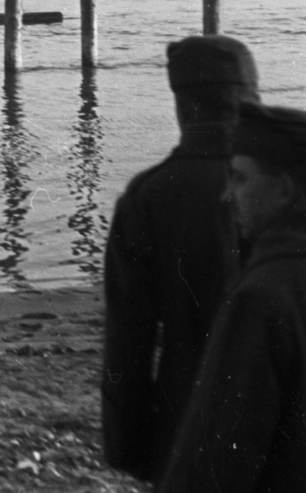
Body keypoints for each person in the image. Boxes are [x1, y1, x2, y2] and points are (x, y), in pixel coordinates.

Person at [101, 35, 259, 482]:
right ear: (251, 96)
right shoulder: (297, 185)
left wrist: (127, 446)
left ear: (181, 105)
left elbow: (127, 344)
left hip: (188, 416)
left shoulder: (149, 196)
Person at [158, 101, 306, 492]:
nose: (226, 196)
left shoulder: (265, 296)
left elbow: (215, 460)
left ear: (283, 190)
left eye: (240, 179)